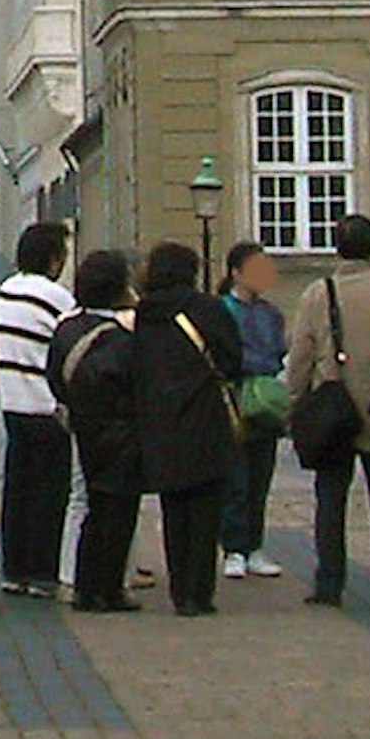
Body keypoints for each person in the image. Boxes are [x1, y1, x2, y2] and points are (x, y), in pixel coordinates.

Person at [285, 212, 370, 609]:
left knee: (330, 498)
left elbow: (301, 354)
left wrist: (293, 401)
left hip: (332, 408)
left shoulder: (318, 294)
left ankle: (330, 581)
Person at [129, 241, 250, 614]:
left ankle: (180, 589)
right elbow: (232, 359)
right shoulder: (208, 309)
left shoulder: (143, 315)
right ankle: (200, 592)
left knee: (174, 507)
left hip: (160, 419)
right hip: (204, 414)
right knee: (205, 507)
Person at [47, 249, 144, 612]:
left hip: (83, 425)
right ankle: (110, 586)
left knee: (90, 505)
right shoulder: (124, 335)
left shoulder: (67, 328)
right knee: (118, 510)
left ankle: (85, 585)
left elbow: (54, 376)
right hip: (121, 430)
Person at [0, 221, 78, 597]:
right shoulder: (55, 296)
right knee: (49, 491)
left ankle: (15, 567)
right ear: (54, 258)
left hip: (13, 402)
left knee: (19, 488)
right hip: (46, 404)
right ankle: (43, 571)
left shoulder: (6, 291)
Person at [213, 242, 290, 581]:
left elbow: (278, 349)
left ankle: (254, 544)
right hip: (234, 398)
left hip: (266, 400)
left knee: (261, 475)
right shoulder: (223, 310)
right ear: (236, 273)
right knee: (236, 478)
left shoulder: (270, 313)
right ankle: (233, 546)